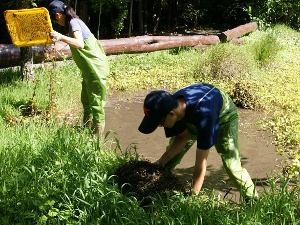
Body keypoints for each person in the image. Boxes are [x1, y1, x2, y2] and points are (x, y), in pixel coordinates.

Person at [138, 83, 259, 200]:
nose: (160, 126)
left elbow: (201, 163)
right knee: (172, 156)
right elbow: (182, 137)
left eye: (159, 123)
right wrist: (159, 164)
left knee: (232, 165)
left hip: (223, 117)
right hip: (193, 113)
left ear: (171, 114)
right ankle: (159, 184)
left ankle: (253, 200)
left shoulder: (204, 114)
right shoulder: (168, 106)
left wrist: (192, 199)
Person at [48, 0, 110, 136]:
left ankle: (96, 145)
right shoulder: (73, 23)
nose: (56, 22)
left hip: (96, 70)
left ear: (57, 15)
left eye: (54, 19)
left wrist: (61, 37)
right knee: (86, 103)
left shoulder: (73, 23)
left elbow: (80, 44)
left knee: (96, 106)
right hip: (89, 70)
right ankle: (85, 135)